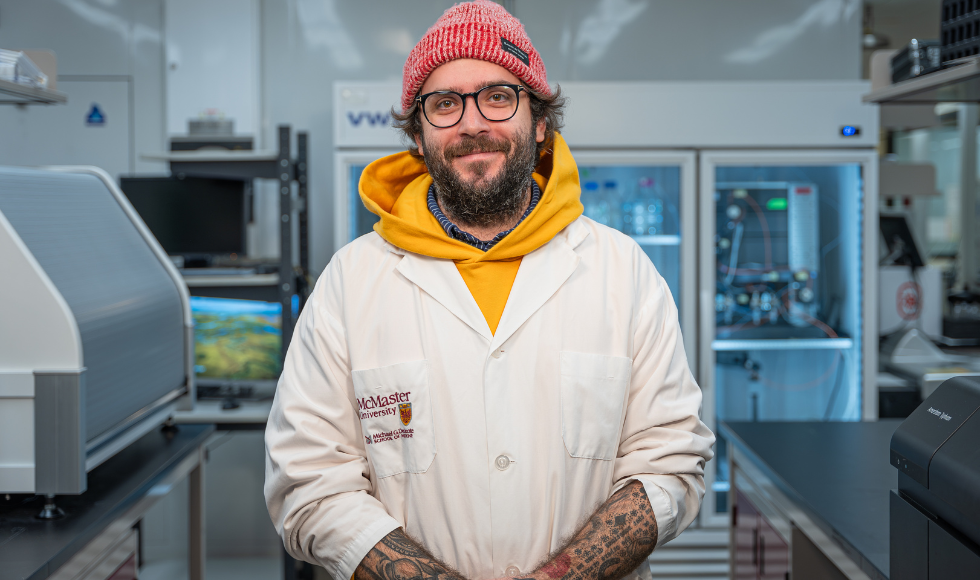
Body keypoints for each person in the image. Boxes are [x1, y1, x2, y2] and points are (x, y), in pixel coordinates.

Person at [264, 2, 715, 580]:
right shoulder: (351, 284)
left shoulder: (621, 272)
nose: (472, 123)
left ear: (540, 121)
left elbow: (672, 464)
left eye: (498, 97)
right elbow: (308, 482)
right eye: (445, 104)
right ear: (420, 136)